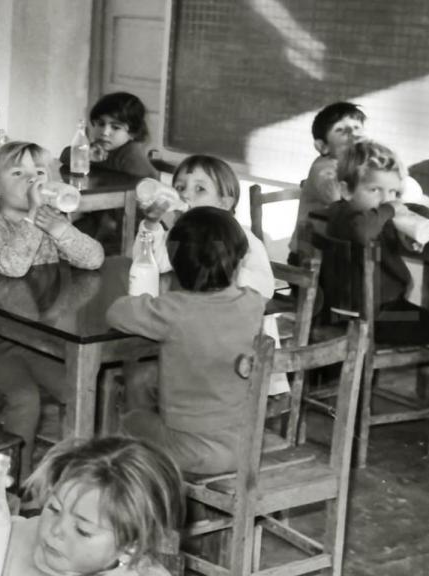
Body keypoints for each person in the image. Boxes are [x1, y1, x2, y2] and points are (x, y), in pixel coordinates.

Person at [0, 141, 104, 477]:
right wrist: (32, 219)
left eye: (39, 173)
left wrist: (60, 227)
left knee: (79, 388)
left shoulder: (48, 224)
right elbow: (12, 265)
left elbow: (94, 258)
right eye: (18, 174)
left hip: (38, 338)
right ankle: (13, 483)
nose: (32, 181)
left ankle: (79, 478)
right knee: (25, 398)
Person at [107, 207, 266, 475]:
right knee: (150, 378)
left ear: (176, 265)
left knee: (128, 422)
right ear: (238, 262)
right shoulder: (252, 302)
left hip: (191, 451)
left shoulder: (174, 310)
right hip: (246, 444)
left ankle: (143, 491)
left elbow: (116, 312)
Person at [0, 436, 183, 576]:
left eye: (82, 529)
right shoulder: (14, 539)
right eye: (54, 509)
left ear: (130, 546)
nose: (56, 530)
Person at [325, 140, 429, 346]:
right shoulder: (345, 216)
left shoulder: (375, 216)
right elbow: (362, 231)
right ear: (346, 191)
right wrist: (391, 209)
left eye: (394, 192)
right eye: (375, 190)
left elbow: (418, 210)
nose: (387, 200)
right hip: (364, 316)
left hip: (377, 311)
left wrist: (411, 234)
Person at [134, 155, 274, 300]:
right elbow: (154, 263)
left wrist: (227, 272)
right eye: (180, 188)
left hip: (234, 317)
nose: (184, 195)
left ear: (224, 204)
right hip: (191, 314)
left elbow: (265, 288)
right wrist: (151, 223)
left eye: (200, 189)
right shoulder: (178, 235)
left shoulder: (243, 238)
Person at [289, 102, 366, 262]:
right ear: (323, 146)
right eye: (341, 130)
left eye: (357, 128)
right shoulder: (323, 169)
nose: (353, 134)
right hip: (308, 259)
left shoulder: (356, 167)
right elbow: (338, 202)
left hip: (333, 253)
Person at [60, 92, 159, 180]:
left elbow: (152, 179)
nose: (105, 132)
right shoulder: (97, 147)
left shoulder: (130, 156)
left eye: (115, 127)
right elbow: (64, 156)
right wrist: (86, 156)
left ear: (132, 133)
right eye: (101, 124)